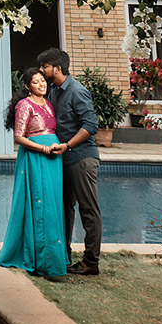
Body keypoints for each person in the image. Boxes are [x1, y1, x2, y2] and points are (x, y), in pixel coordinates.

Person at [0, 67, 69, 279]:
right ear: (28, 86)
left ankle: (54, 257)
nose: (41, 84)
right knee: (40, 203)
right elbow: (19, 137)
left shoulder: (49, 104)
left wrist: (55, 148)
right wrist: (43, 148)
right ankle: (40, 260)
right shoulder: (24, 105)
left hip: (54, 160)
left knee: (53, 204)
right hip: (36, 159)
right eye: (36, 82)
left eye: (42, 80)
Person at [37, 47, 102, 276]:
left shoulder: (77, 92)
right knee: (64, 208)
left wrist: (68, 145)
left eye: (45, 66)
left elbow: (91, 125)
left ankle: (91, 262)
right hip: (62, 159)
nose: (42, 70)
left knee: (88, 209)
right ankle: (62, 255)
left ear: (57, 68)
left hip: (81, 158)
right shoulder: (54, 91)